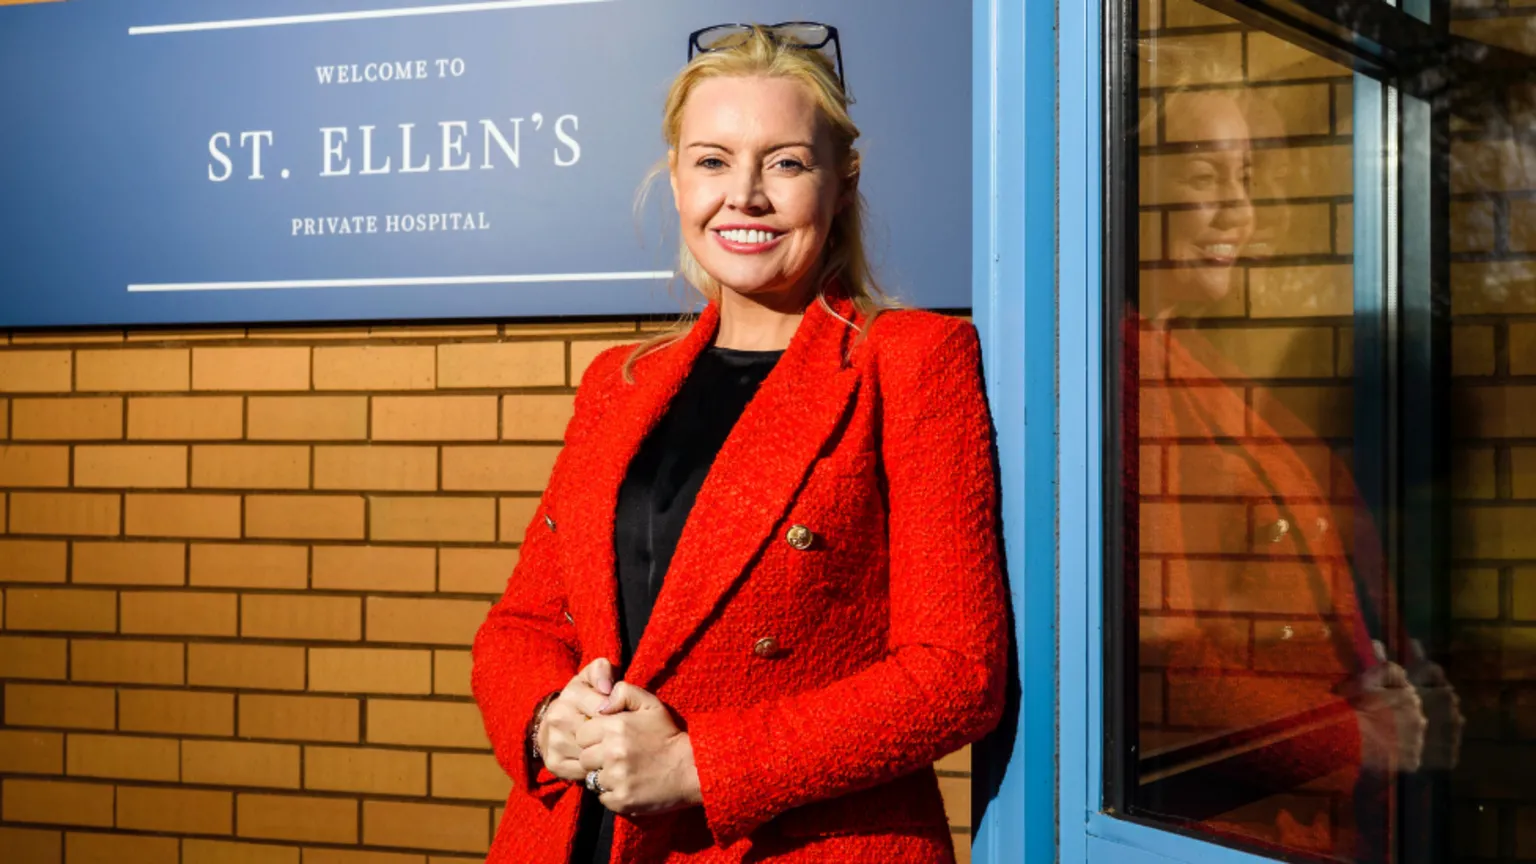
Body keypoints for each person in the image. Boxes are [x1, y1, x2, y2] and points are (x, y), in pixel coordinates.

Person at [470, 23, 1007, 864]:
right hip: (576, 833)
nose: (745, 196)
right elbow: (524, 622)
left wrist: (698, 765)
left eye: (786, 163)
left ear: (842, 182)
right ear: (676, 176)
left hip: (789, 843)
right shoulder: (621, 382)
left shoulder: (910, 361)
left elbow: (957, 673)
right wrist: (546, 721)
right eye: (712, 160)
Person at [1132, 72, 1463, 859]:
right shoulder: (1126, 381)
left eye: (1245, 180)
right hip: (1223, 832)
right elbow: (1161, 667)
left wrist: (1398, 680)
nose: (1237, 213)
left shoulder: (1196, 368)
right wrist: (1355, 735)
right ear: (1130, 187)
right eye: (1205, 177)